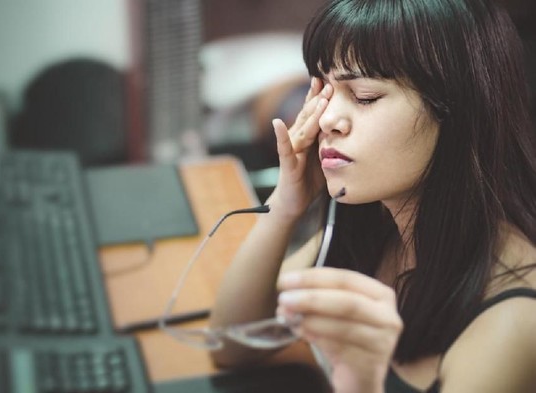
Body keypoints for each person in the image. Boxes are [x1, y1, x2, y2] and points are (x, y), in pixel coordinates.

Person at [208, 0, 536, 392]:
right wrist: (286, 205)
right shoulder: (375, 220)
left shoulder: (515, 321)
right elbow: (231, 345)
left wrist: (361, 382)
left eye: (364, 96)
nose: (327, 119)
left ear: (457, 113)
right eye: (325, 90)